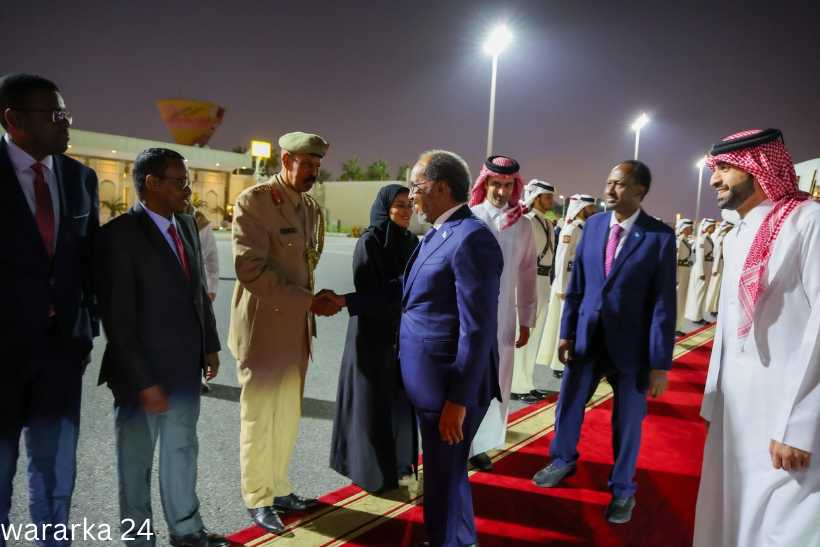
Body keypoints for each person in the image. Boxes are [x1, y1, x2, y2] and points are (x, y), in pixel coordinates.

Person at [321, 149, 503, 547]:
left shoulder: (471, 238)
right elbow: (406, 287)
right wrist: (347, 301)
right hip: (433, 384)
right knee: (449, 472)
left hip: (449, 387)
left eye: (416, 187)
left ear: (440, 188)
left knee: (440, 478)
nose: (412, 196)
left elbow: (478, 329)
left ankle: (443, 541)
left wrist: (458, 400)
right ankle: (461, 539)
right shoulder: (440, 232)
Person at [94, 148, 228, 547]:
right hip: (141, 377)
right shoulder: (117, 236)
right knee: (136, 464)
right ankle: (139, 539)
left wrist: (209, 345)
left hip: (184, 367)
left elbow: (197, 291)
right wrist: (144, 383)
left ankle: (186, 530)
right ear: (151, 183)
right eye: (181, 181)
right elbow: (118, 322)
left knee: (183, 449)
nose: (189, 189)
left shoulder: (186, 225)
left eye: (188, 181)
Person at [532, 160, 676, 524]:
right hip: (587, 340)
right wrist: (566, 333)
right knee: (568, 405)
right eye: (609, 182)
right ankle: (562, 460)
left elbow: (664, 304)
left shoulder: (659, 235)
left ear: (640, 191)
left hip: (633, 350)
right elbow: (577, 285)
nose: (609, 190)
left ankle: (623, 489)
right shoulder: (594, 226)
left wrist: (659, 364)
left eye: (619, 184)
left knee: (627, 423)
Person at [694, 129, 820, 546]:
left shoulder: (809, 222)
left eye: (725, 168)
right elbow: (728, 330)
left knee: (785, 526)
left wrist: (800, 424)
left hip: (785, 413)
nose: (714, 179)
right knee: (731, 513)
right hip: (736, 410)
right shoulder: (736, 235)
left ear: (759, 167)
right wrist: (714, 402)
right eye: (713, 169)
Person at [0, 73, 99, 547]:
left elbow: (88, 262)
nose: (66, 122)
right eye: (55, 114)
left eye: (66, 113)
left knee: (57, 475)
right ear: (14, 119)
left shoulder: (80, 178)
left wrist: (86, 329)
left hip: (61, 353)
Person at [228, 132, 339, 534]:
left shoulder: (308, 207)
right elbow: (250, 269)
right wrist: (308, 301)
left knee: (288, 415)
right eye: (306, 164)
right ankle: (258, 498)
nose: (313, 172)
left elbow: (303, 265)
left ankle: (278, 487)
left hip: (295, 329)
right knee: (259, 417)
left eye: (317, 165)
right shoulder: (256, 201)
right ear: (286, 160)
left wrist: (311, 302)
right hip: (264, 329)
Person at [330, 184, 418, 493]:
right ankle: (372, 472)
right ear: (385, 208)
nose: (407, 210)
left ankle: (400, 466)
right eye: (399, 204)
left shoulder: (412, 241)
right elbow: (368, 292)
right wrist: (391, 333)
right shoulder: (370, 242)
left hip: (404, 335)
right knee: (372, 404)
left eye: (409, 204)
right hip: (373, 335)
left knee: (400, 401)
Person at [467, 156, 537, 471]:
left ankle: (481, 444)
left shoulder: (523, 225)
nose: (502, 191)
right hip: (468, 317)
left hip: (505, 319)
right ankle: (459, 440)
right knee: (466, 379)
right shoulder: (470, 218)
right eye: (496, 184)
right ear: (485, 184)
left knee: (497, 382)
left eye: (508, 185)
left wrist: (526, 319)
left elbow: (527, 274)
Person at [541, 194, 596, 379]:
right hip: (569, 281)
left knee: (577, 323)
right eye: (590, 207)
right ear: (580, 209)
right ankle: (558, 365)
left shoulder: (586, 229)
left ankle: (571, 360)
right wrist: (561, 287)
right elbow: (561, 259)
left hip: (582, 281)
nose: (594, 210)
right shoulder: (571, 230)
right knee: (564, 324)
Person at [512, 179, 557, 404]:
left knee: (534, 336)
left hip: (544, 281)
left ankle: (527, 382)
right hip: (527, 282)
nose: (552, 201)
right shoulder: (527, 221)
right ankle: (516, 385)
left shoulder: (547, 223)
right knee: (522, 337)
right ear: (536, 197)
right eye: (548, 197)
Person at [183, 202, 219, 394]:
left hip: (195, 287)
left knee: (196, 331)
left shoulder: (197, 219)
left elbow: (210, 255)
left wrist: (211, 287)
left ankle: (196, 376)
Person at [684, 218, 716, 325]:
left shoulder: (707, 238)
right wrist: (702, 272)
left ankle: (699, 316)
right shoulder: (702, 239)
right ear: (708, 227)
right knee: (699, 293)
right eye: (713, 226)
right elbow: (699, 256)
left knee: (702, 293)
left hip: (706, 266)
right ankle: (696, 318)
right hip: (701, 268)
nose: (714, 228)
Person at [704, 220, 733, 315]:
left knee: (719, 287)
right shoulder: (721, 238)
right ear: (727, 228)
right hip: (719, 264)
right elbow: (717, 254)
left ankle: (716, 308)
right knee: (715, 287)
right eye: (730, 227)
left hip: (722, 263)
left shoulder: (726, 237)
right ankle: (713, 309)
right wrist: (715, 268)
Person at [675, 218, 695, 337]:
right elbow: (675, 260)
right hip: (680, 273)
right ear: (684, 228)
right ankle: (674, 327)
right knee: (678, 300)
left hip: (685, 272)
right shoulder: (679, 241)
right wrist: (675, 277)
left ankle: (678, 326)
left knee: (682, 300)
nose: (692, 229)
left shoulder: (685, 241)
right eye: (690, 227)